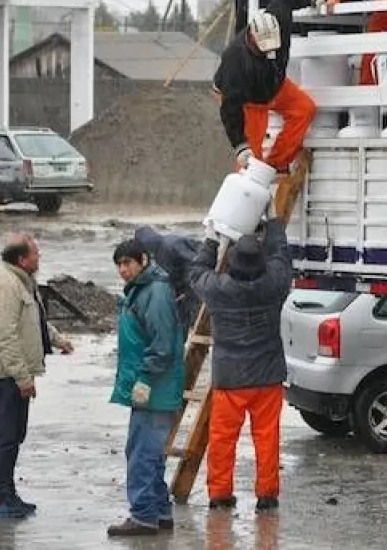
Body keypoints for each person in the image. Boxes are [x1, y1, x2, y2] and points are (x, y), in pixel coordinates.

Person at [188, 201, 292, 512]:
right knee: (267, 437)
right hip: (268, 376)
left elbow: (196, 273)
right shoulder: (274, 284)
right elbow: (281, 256)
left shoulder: (219, 289)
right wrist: (274, 223)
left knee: (222, 439)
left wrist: (211, 241)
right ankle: (267, 495)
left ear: (231, 264)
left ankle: (220, 495)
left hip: (230, 378)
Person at [0, 233, 74, 519]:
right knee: (3, 437)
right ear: (22, 259)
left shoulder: (22, 281)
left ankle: (8, 494)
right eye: (35, 253)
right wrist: (22, 377)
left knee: (14, 435)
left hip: (13, 374)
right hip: (3, 375)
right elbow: (6, 336)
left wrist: (57, 340)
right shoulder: (6, 285)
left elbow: (33, 322)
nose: (39, 257)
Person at [106, 239, 186, 537]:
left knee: (142, 454)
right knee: (148, 452)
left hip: (154, 388)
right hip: (151, 387)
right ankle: (160, 511)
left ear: (143, 260)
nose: (122, 270)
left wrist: (145, 380)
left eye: (127, 263)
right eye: (119, 265)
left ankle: (143, 516)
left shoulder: (154, 292)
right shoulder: (144, 290)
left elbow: (162, 345)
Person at [212, 0, 327, 174]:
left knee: (304, 109)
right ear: (253, 38)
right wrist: (240, 145)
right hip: (249, 99)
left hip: (274, 84)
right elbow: (230, 108)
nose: (269, 52)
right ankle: (247, 181)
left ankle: (276, 164)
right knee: (251, 156)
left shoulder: (279, 17)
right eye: (264, 49)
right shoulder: (235, 62)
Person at [132, 227, 202, 328]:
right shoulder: (158, 254)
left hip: (196, 282)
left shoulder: (171, 244)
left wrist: (187, 289)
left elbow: (195, 263)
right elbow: (170, 275)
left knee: (189, 310)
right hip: (186, 286)